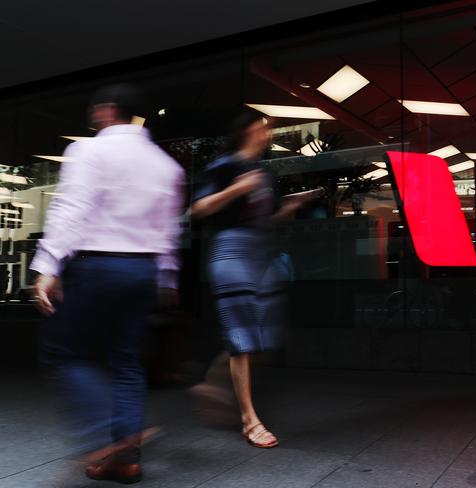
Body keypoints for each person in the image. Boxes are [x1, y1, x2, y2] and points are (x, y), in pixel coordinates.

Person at [31, 84, 184, 484]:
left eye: (96, 110)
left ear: (109, 110)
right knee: (128, 362)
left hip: (95, 265)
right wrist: (167, 278)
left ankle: (105, 435)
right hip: (142, 271)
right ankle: (126, 459)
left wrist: (48, 265)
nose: (93, 117)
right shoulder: (167, 166)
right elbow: (168, 231)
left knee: (65, 353)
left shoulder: (88, 151)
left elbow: (73, 207)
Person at [192, 112, 316, 448]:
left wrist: (288, 208)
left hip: (261, 255)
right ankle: (250, 420)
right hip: (231, 254)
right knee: (243, 337)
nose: (267, 133)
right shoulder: (224, 167)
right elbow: (200, 208)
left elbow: (267, 219)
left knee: (264, 335)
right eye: (262, 127)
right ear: (245, 130)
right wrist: (236, 189)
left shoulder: (264, 172)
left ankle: (214, 381)